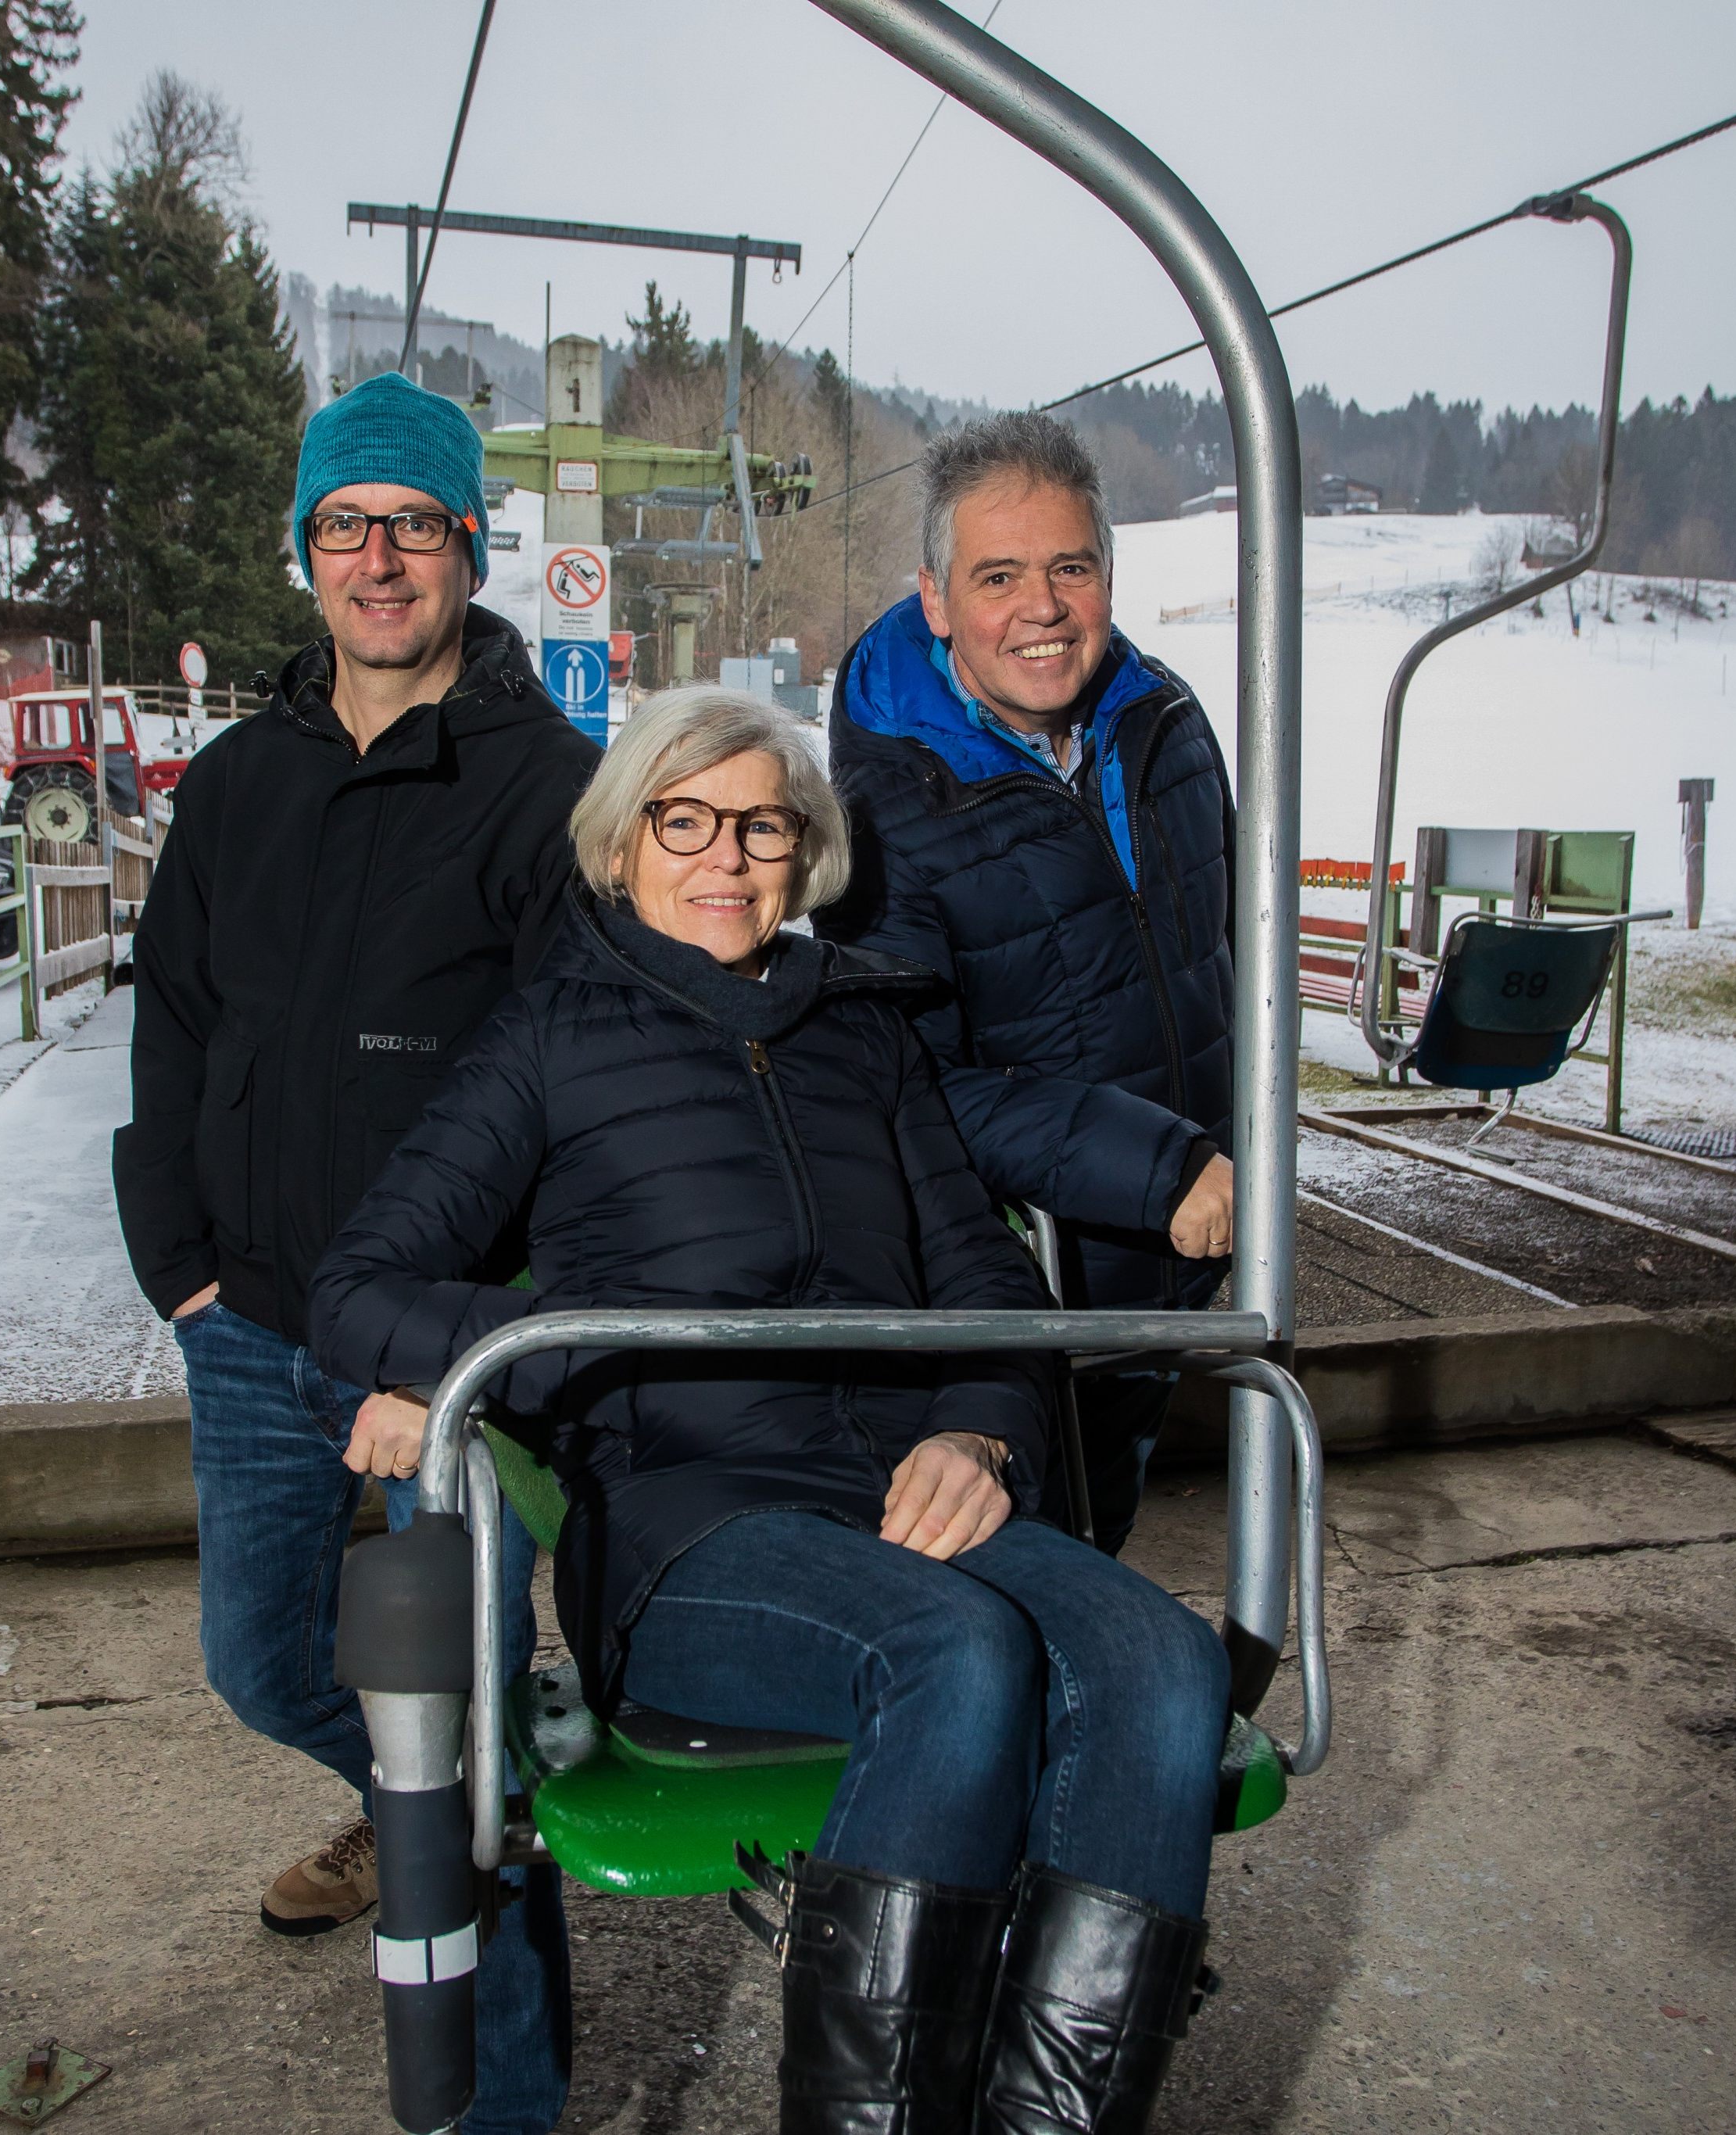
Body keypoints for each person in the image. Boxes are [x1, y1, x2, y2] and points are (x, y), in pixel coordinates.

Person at [310, 687, 1230, 2135]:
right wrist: (565, 1359)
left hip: (903, 1496)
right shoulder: (550, 1041)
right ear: (624, 846)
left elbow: (985, 1277)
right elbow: (359, 1285)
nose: (725, 858)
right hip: (698, 1524)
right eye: (685, 820)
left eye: (761, 824)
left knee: (1166, 1661)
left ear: (804, 851)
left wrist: (979, 1429)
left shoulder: (864, 1037)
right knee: (954, 1654)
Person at [113, 369, 595, 2134]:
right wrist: (175, 1256)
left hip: (441, 1348)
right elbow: (168, 1025)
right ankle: (441, 1805)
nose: (378, 559)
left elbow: (575, 1071)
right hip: (246, 1316)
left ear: (469, 548)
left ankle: (509, 2092)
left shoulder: (549, 788)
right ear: (306, 553)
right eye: (345, 526)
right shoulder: (236, 785)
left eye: (413, 525)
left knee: (450, 1730)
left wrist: (474, 1328)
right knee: (264, 1660)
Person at [819, 410, 1239, 1557]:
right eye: (997, 575)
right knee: (1018, 1586)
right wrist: (1159, 1164)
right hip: (1017, 1284)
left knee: (1106, 1530)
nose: (1041, 609)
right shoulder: (882, 809)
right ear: (936, 599)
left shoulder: (1165, 727)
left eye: (1070, 568)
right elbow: (907, 1079)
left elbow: (1212, 957)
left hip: (1167, 1262)